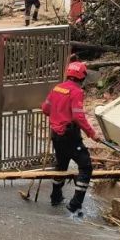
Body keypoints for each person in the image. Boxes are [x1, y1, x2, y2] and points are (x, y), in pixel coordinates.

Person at [41, 61, 98, 214]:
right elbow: (78, 116)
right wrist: (92, 133)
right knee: (86, 167)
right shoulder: (77, 92)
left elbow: (45, 108)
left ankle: (55, 196)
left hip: (56, 135)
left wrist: (56, 114)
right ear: (82, 76)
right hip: (70, 135)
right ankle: (75, 204)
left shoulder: (57, 88)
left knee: (61, 165)